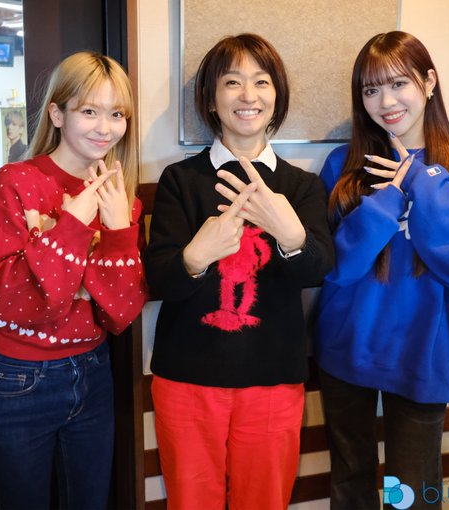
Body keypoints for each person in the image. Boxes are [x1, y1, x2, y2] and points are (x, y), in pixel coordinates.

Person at [314, 31, 449, 509]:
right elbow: (338, 267)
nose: (386, 102)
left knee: (411, 493)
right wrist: (388, 200)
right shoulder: (343, 165)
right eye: (370, 90)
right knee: (351, 485)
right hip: (347, 346)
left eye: (398, 84)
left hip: (426, 352)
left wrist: (422, 185)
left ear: (429, 82)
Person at [144, 33, 334, 510]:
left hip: (273, 379)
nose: (248, 95)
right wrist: (196, 256)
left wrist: (290, 235)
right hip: (187, 378)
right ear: (211, 99)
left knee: (265, 501)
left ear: (277, 97)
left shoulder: (301, 186)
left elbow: (318, 271)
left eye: (261, 82)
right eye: (232, 82)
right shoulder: (179, 180)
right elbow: (159, 279)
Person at [0, 51, 146, 510]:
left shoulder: (121, 199)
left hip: (93, 370)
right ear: (57, 113)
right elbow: (3, 301)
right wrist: (71, 226)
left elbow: (120, 313)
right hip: (17, 376)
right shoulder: (15, 182)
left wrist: (119, 233)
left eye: (117, 114)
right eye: (89, 111)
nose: (104, 128)